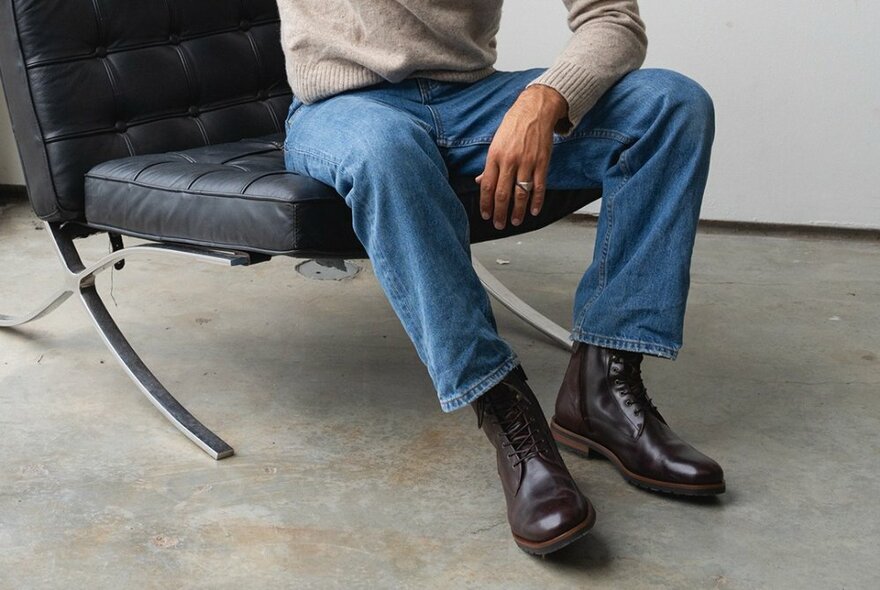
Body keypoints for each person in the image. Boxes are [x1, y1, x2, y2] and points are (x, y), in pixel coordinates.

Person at [278, 0, 724, 555]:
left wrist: (546, 98)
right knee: (385, 151)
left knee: (671, 105)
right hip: (343, 110)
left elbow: (613, 18)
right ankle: (509, 417)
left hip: (473, 99)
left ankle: (603, 388)